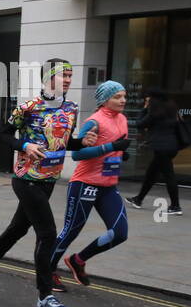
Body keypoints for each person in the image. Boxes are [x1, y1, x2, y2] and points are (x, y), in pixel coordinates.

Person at [0, 59, 83, 307]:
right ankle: (45, 297)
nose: (68, 80)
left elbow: (64, 143)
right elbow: (3, 135)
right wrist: (25, 146)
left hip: (49, 179)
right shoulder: (29, 108)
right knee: (48, 233)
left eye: (70, 76)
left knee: (17, 229)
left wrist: (84, 142)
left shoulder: (71, 109)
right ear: (48, 78)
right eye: (63, 75)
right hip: (26, 178)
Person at [50, 81, 133, 286]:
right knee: (71, 231)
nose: (122, 100)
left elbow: (114, 148)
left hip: (108, 186)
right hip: (84, 183)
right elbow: (78, 154)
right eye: (117, 97)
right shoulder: (94, 121)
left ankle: (78, 261)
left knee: (120, 233)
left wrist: (121, 153)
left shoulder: (122, 119)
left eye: (124, 96)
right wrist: (111, 146)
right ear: (105, 100)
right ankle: (47, 271)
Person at [127, 87, 185, 215]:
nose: (147, 101)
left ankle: (175, 206)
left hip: (162, 148)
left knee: (169, 175)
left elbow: (139, 123)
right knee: (151, 174)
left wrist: (145, 108)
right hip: (172, 147)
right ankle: (138, 199)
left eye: (148, 99)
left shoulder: (155, 112)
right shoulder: (171, 108)